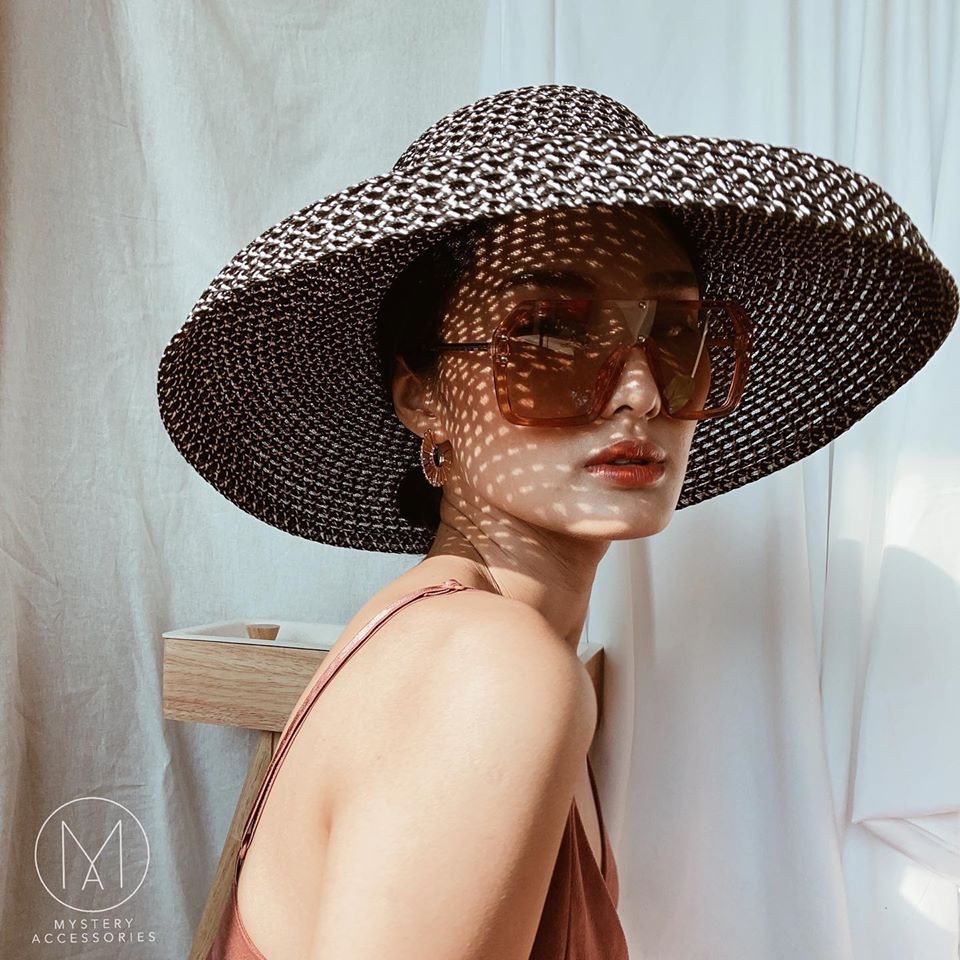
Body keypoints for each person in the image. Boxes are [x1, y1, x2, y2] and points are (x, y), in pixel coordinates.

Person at [157, 84, 957, 960]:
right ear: (424, 399)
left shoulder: (475, 646)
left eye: (677, 333)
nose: (640, 391)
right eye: (548, 337)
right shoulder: (490, 671)